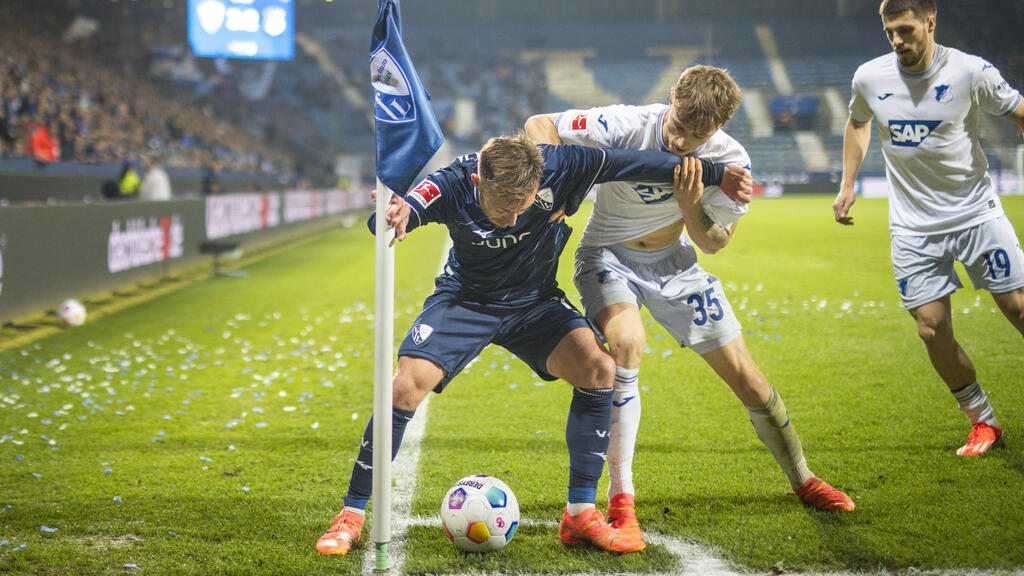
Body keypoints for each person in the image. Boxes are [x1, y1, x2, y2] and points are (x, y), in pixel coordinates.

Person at [316, 133, 746, 556]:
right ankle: (351, 516)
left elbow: (631, 162)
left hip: (534, 303)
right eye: (503, 208)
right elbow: (401, 211)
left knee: (600, 369)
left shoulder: (562, 165)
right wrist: (395, 212)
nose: (511, 220)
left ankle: (580, 513)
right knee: (404, 387)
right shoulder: (452, 181)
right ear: (479, 183)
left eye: (521, 208)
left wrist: (715, 174)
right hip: (468, 300)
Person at [525, 64, 856, 545]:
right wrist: (556, 187)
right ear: (671, 101)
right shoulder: (625, 124)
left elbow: (713, 242)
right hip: (606, 257)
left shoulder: (730, 158)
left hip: (677, 266)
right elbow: (541, 124)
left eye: (695, 135)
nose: (680, 142)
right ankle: (623, 502)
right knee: (625, 345)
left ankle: (803, 479)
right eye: (678, 125)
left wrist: (690, 205)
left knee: (750, 379)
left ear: (718, 127)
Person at [834, 0, 1024, 456]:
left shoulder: (971, 72)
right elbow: (859, 124)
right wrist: (847, 184)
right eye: (889, 33)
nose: (898, 41)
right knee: (931, 328)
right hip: (913, 226)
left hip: (976, 213)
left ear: (930, 22)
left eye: (905, 30)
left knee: (1019, 308)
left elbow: (1017, 111)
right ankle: (983, 421)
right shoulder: (869, 77)